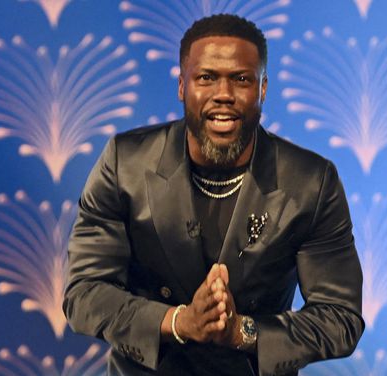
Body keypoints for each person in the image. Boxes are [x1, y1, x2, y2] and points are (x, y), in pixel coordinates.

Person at [63, 14, 364, 376]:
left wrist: (243, 332)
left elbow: (340, 318)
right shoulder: (123, 163)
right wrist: (179, 322)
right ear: (181, 86)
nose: (223, 95)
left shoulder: (312, 182)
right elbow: (84, 293)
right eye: (206, 78)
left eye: (241, 79)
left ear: (263, 89)